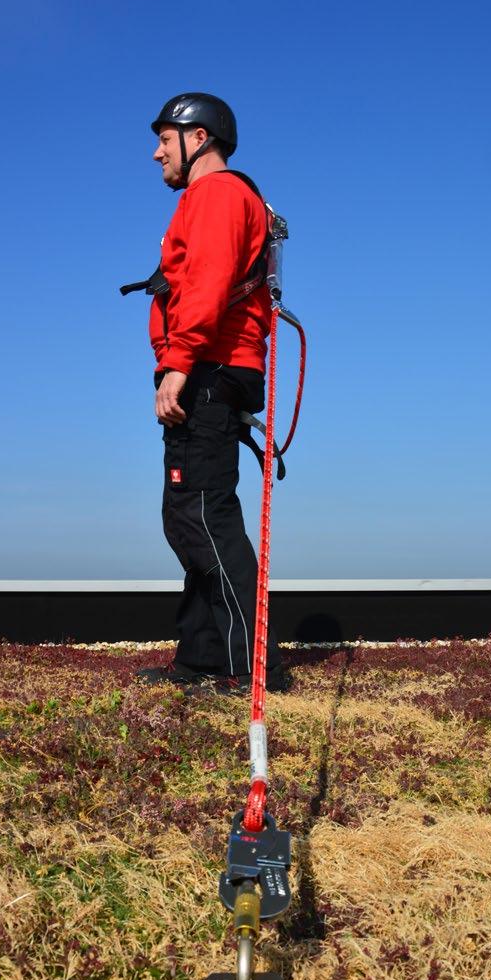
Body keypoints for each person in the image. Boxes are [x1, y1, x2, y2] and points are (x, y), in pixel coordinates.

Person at [133, 93, 288, 693]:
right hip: (212, 364)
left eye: (164, 139)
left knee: (202, 513)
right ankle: (204, 656)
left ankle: (249, 666)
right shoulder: (216, 198)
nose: (156, 152)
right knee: (188, 514)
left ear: (198, 139)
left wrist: (178, 363)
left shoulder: (220, 195)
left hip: (209, 367)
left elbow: (209, 279)